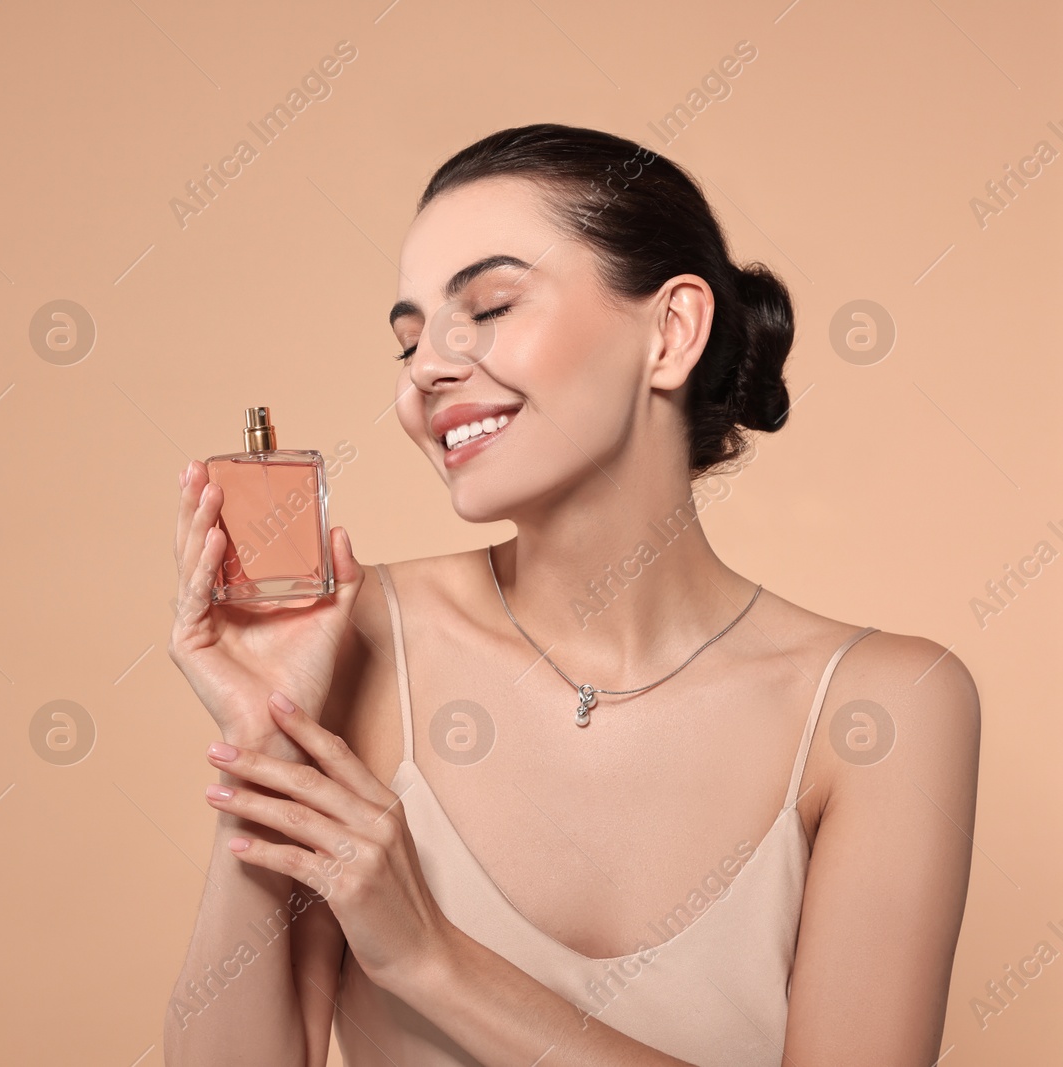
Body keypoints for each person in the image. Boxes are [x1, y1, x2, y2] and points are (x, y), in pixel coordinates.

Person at [163, 123, 979, 1066]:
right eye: (409, 340)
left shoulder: (879, 707)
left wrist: (431, 959)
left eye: (492, 304)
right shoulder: (356, 640)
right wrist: (264, 749)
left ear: (671, 331)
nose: (428, 366)